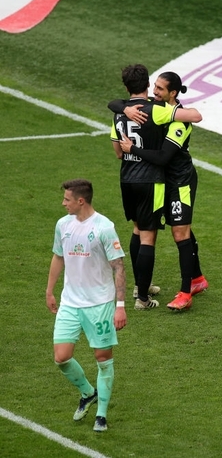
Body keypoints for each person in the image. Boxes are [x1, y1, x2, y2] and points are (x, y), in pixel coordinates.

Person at [112, 71, 208, 311]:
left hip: (179, 182)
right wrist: (124, 109)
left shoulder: (178, 120)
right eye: (154, 87)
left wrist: (132, 147)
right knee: (178, 229)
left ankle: (186, 293)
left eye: (160, 89)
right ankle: (196, 279)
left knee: (180, 233)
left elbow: (164, 157)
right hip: (159, 180)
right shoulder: (154, 108)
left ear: (172, 93)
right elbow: (118, 103)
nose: (155, 93)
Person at [46, 179, 128, 432]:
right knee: (61, 358)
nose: (63, 203)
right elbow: (58, 256)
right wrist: (50, 290)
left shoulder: (104, 228)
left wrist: (120, 305)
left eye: (67, 199)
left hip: (99, 304)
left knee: (102, 358)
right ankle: (87, 392)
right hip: (70, 302)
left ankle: (101, 415)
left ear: (80, 201)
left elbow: (119, 266)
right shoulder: (63, 225)